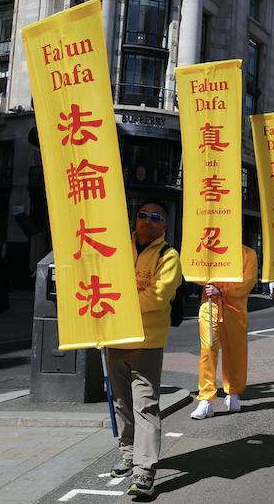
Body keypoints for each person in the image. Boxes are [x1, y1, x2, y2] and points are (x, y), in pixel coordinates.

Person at [108, 202, 182, 498]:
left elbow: (158, 298)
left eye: (156, 218)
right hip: (114, 337)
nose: (148, 222)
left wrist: (117, 299)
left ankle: (144, 472)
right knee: (121, 404)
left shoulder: (169, 255)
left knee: (146, 406)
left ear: (165, 225)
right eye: (143, 216)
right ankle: (128, 453)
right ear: (134, 220)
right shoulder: (114, 247)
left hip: (147, 342)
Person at [190, 245, 258, 420]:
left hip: (235, 310)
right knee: (207, 350)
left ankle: (233, 392)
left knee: (235, 352)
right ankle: (206, 398)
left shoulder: (248, 254)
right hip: (210, 307)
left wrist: (223, 290)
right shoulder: (209, 249)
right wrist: (207, 280)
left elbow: (248, 282)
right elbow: (194, 271)